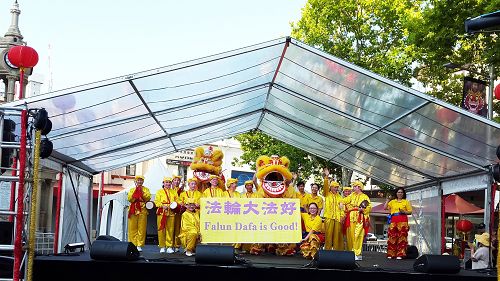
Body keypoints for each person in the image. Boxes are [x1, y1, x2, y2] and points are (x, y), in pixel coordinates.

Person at [342, 180, 371, 261]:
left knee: (358, 235)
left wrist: (363, 209)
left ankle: (357, 253)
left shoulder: (365, 197)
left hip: (360, 217)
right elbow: (344, 200)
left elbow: (369, 207)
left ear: (359, 187)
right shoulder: (352, 195)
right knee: (350, 236)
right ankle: (351, 253)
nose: (353, 188)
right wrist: (340, 202)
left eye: (354, 186)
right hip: (351, 218)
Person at [383, 187, 412, 259]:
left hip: (403, 219)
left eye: (401, 192)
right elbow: (385, 207)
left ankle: (400, 254)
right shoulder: (392, 201)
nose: (400, 193)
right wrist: (387, 200)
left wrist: (404, 212)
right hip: (394, 219)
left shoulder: (406, 202)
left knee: (401, 237)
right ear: (396, 193)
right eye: (398, 192)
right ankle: (391, 254)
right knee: (392, 236)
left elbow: (410, 211)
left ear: (403, 194)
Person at [155, 176, 179, 253]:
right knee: (161, 229)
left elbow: (177, 201)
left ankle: (169, 246)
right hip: (162, 212)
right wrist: (162, 205)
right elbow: (156, 202)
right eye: (166, 182)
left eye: (169, 182)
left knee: (170, 229)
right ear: (163, 183)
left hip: (171, 212)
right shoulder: (159, 191)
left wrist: (174, 205)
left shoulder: (174, 192)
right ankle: (162, 246)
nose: (168, 184)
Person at [127, 175, 151, 252]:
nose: (139, 182)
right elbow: (130, 199)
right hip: (133, 209)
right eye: (138, 180)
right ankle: (133, 244)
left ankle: (139, 244)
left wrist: (141, 192)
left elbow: (147, 198)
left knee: (142, 228)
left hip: (142, 209)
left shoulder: (146, 189)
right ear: (135, 181)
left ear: (143, 181)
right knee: (132, 228)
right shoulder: (131, 190)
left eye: (141, 180)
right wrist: (136, 192)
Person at [322, 168, 344, 250]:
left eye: (336, 187)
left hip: (338, 218)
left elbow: (342, 208)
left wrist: (342, 216)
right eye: (334, 187)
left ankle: (336, 251)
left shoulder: (340, 197)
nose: (335, 188)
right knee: (328, 235)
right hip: (329, 217)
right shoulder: (327, 194)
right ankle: (327, 250)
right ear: (330, 187)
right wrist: (326, 177)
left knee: (337, 236)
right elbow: (325, 187)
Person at [172, 175, 184, 252]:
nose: (177, 182)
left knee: (178, 228)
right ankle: (169, 245)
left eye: (178, 180)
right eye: (175, 180)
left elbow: (183, 200)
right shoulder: (169, 189)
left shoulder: (182, 191)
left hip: (178, 212)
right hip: (170, 211)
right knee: (170, 228)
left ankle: (177, 245)